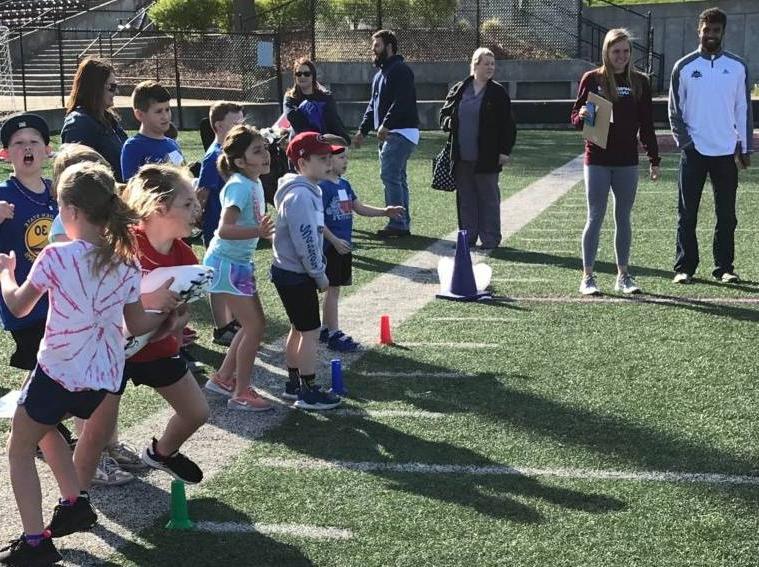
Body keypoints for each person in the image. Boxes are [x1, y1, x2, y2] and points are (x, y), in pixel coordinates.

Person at [0, 162, 164, 566]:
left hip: (58, 371)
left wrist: (5, 274)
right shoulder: (126, 261)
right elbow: (139, 324)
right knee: (44, 427)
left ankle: (35, 544)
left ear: (70, 211)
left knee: (18, 448)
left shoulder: (57, 255)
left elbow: (19, 305)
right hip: (99, 382)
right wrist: (170, 316)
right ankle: (75, 503)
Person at [73, 164, 208, 491]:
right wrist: (148, 299)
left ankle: (161, 453)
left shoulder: (185, 254)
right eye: (188, 204)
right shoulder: (123, 246)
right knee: (96, 433)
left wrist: (177, 323)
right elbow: (100, 298)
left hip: (158, 349)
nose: (198, 210)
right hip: (114, 354)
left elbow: (181, 310)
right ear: (160, 208)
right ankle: (72, 498)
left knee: (197, 412)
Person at [47, 143, 140, 487]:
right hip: (78, 329)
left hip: (107, 328)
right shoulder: (65, 223)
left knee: (106, 392)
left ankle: (109, 444)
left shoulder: (108, 227)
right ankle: (90, 455)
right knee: (87, 396)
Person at [571, 28, 660, 296]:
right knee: (595, 216)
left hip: (626, 161)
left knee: (623, 217)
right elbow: (575, 117)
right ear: (606, 52)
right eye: (615, 51)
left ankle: (623, 275)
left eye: (625, 51)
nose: (621, 56)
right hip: (597, 158)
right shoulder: (593, 78)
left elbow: (647, 125)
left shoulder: (640, 82)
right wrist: (582, 116)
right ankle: (588, 276)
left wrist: (654, 159)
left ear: (630, 53)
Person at [669, 7, 752, 284]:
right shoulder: (684, 66)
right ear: (699, 31)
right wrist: (686, 143)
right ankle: (684, 267)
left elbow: (743, 108)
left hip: (726, 152)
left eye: (716, 30)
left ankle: (724, 268)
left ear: (723, 32)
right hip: (694, 152)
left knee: (727, 214)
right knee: (687, 213)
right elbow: (674, 110)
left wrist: (744, 146)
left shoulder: (738, 67)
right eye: (707, 30)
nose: (711, 35)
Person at [203, 125, 276, 412]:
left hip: (238, 265)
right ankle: (241, 391)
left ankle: (223, 379)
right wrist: (257, 231)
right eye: (257, 151)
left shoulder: (253, 182)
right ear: (240, 161)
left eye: (264, 148)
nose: (266, 155)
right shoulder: (238, 185)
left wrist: (260, 232)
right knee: (255, 326)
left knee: (253, 325)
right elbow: (225, 229)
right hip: (227, 265)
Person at [271, 131, 342, 410]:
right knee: (310, 331)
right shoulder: (300, 196)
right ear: (302, 163)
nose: (329, 163)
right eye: (322, 158)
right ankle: (308, 389)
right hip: (296, 273)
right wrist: (319, 273)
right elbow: (307, 241)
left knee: (298, 329)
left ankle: (293, 382)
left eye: (329, 158)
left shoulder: (305, 190)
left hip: (289, 271)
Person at [319, 146, 404, 351]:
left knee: (334, 289)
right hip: (331, 247)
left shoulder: (345, 185)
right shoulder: (321, 187)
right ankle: (333, 332)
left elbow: (360, 208)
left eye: (346, 157)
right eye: (341, 158)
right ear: (328, 162)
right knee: (332, 289)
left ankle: (324, 328)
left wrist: (385, 212)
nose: (345, 161)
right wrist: (334, 240)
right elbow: (317, 220)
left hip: (343, 245)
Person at [439, 47, 516, 251]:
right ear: (475, 65)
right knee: (466, 199)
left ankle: (490, 239)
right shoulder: (459, 89)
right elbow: (443, 115)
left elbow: (508, 125)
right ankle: (468, 237)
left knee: (488, 199)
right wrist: (448, 122)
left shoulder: (497, 92)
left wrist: (504, 151)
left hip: (488, 157)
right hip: (462, 155)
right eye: (486, 63)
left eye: (492, 64)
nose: (490, 67)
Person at [0, 114, 56, 382]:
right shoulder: (2, 195)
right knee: (47, 377)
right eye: (18, 143)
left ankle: (25, 422)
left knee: (46, 377)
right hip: (24, 304)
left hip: (61, 302)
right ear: (5, 154)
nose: (27, 147)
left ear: (48, 150)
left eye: (34, 141)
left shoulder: (59, 192)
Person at [354, 29, 418, 238]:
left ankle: (398, 224)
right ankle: (402, 222)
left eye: (377, 45)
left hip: (401, 132)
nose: (373, 49)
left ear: (389, 47)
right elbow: (373, 105)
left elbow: (402, 100)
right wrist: (362, 131)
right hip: (391, 133)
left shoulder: (400, 70)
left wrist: (386, 125)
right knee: (398, 177)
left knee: (390, 175)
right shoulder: (380, 75)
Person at [197, 102, 245, 347]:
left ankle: (234, 319)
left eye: (242, 122)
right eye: (236, 124)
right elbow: (202, 194)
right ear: (219, 126)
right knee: (217, 277)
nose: (242, 128)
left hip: (233, 230)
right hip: (217, 229)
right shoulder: (214, 156)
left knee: (233, 273)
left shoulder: (231, 155)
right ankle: (221, 327)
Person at [60, 57, 128, 182]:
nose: (116, 91)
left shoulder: (109, 119)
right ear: (95, 87)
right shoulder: (78, 124)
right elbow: (77, 177)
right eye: (112, 87)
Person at [120, 80, 184, 181]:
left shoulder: (173, 145)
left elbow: (184, 178)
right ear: (140, 115)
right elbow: (131, 188)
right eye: (159, 111)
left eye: (167, 109)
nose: (165, 116)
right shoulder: (133, 147)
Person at [284, 57, 351, 145]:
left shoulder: (325, 97)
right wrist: (316, 138)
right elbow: (296, 120)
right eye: (298, 74)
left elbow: (333, 121)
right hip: (302, 144)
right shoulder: (290, 98)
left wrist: (343, 139)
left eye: (306, 74)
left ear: (313, 76)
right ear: (295, 77)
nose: (302, 76)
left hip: (325, 144)